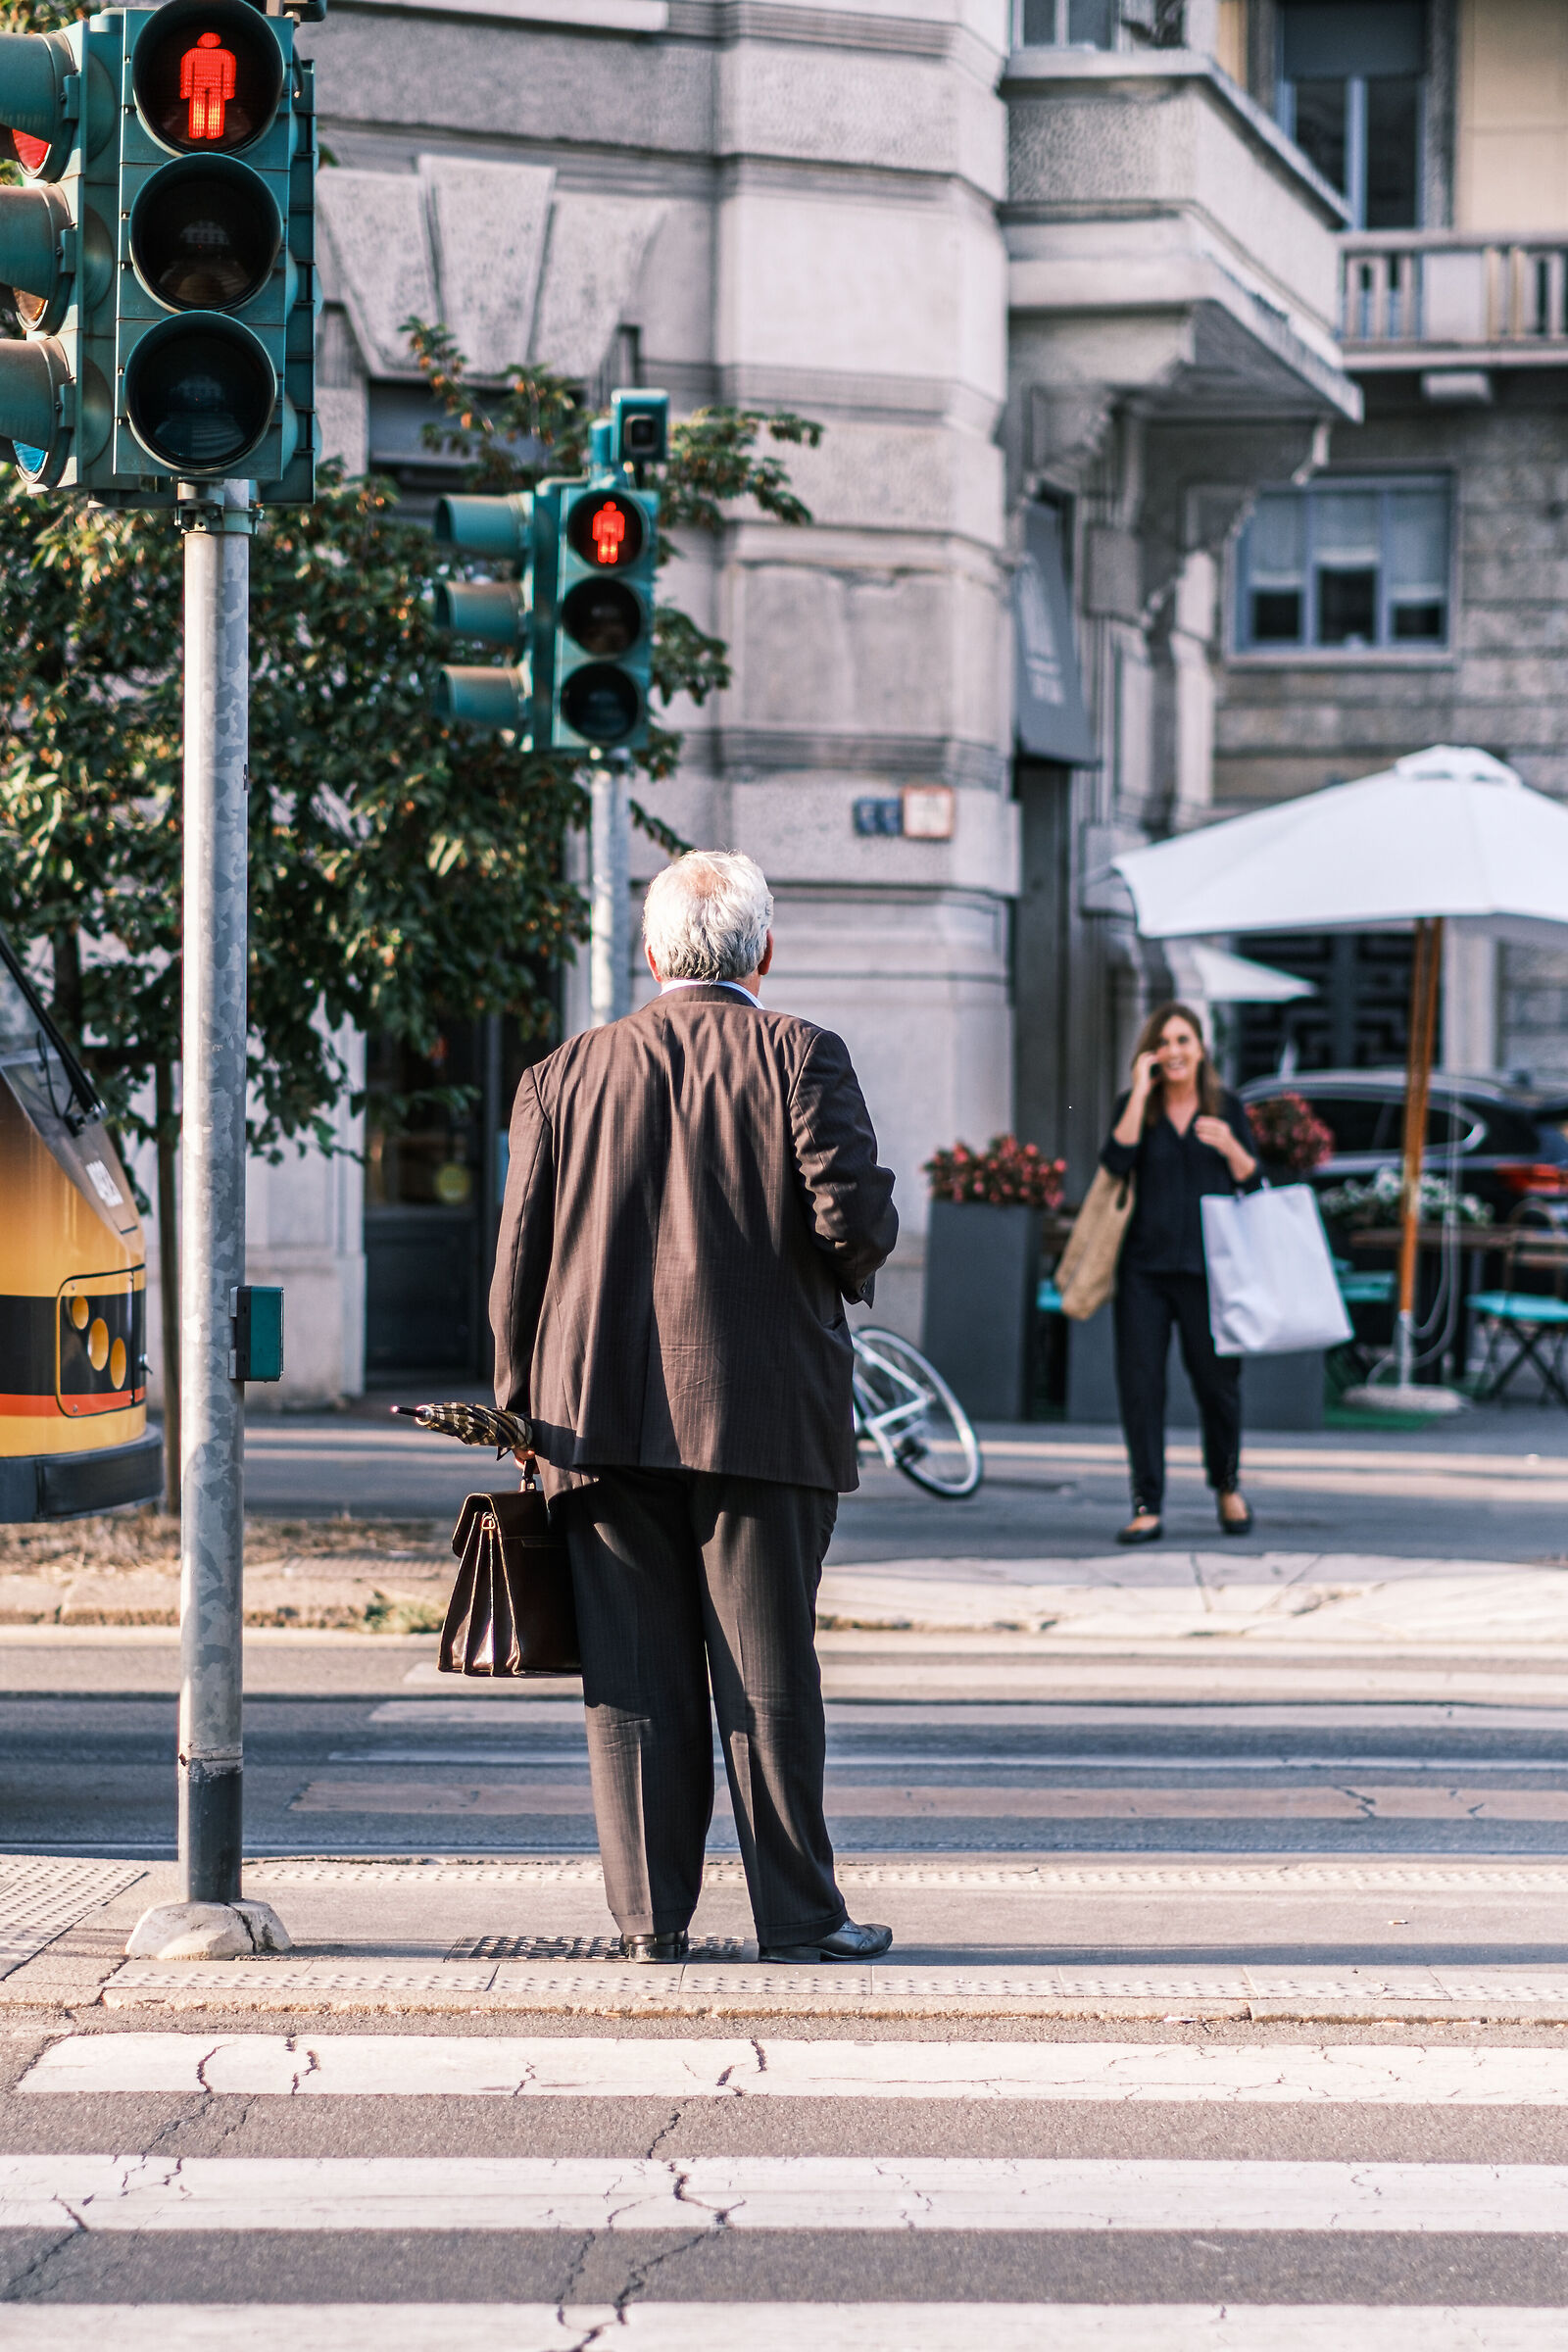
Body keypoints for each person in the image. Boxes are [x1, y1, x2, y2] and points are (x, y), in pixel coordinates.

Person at [490, 849, 900, 1965]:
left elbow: (519, 1259)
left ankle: (648, 1923)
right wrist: (838, 1267)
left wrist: (519, 1407)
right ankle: (799, 1918)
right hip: (761, 1410)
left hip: (593, 1416)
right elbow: (853, 1220)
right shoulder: (800, 1052)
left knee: (631, 1681)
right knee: (769, 1675)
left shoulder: (562, 1074)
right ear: (763, 951)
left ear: (650, 953)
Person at [1100, 1001, 1260, 1545]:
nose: (1173, 1051)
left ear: (1201, 1048)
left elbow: (1252, 1181)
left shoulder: (1226, 1107)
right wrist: (1138, 1091)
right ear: (1150, 1052)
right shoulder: (1136, 1107)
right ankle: (1146, 1504)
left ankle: (1227, 1485)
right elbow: (1115, 1161)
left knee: (1219, 1386)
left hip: (1209, 1272)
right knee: (1141, 1387)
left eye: (1183, 1040)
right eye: (1163, 1042)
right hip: (1143, 1271)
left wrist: (1231, 1146)